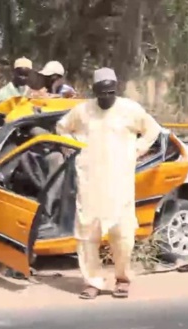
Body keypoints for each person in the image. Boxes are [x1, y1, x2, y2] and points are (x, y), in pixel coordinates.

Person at [55, 68, 161, 300]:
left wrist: (137, 149)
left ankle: (122, 279)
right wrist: (72, 146)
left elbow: (152, 130)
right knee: (87, 235)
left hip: (119, 182)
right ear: (95, 91)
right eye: (102, 93)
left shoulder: (130, 110)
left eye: (111, 92)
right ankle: (92, 282)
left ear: (116, 88)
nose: (107, 97)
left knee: (122, 234)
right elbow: (61, 128)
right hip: (90, 182)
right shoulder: (82, 111)